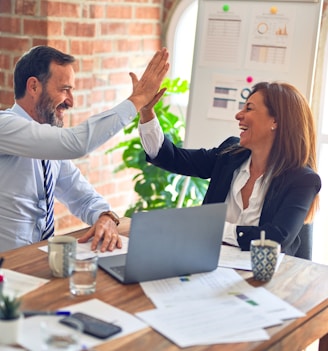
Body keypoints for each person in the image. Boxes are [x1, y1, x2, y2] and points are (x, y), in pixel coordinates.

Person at [0, 45, 169, 253]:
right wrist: (137, 100)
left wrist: (105, 217)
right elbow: (76, 143)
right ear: (34, 87)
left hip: (37, 263)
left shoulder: (49, 146)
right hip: (8, 268)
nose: (71, 101)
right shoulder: (4, 127)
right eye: (64, 90)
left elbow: (82, 197)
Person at [138, 81, 321, 256]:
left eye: (249, 108)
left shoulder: (302, 180)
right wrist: (147, 113)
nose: (238, 115)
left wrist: (213, 228)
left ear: (276, 121)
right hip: (208, 265)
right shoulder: (229, 154)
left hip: (265, 278)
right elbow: (172, 158)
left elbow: (276, 239)